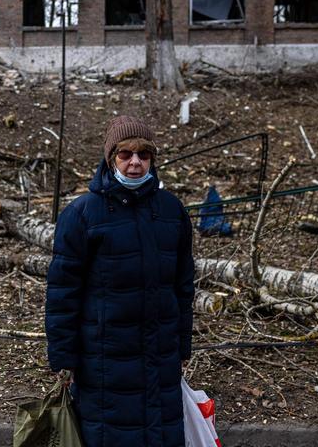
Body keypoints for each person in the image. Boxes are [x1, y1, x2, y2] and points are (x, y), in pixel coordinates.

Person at [45, 115, 195, 447]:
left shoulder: (172, 211)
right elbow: (62, 293)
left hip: (160, 356)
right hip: (103, 362)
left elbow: (183, 286)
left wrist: (183, 345)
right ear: (111, 157)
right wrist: (63, 358)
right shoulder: (82, 214)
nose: (135, 163)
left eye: (144, 154)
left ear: (153, 159)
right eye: (125, 154)